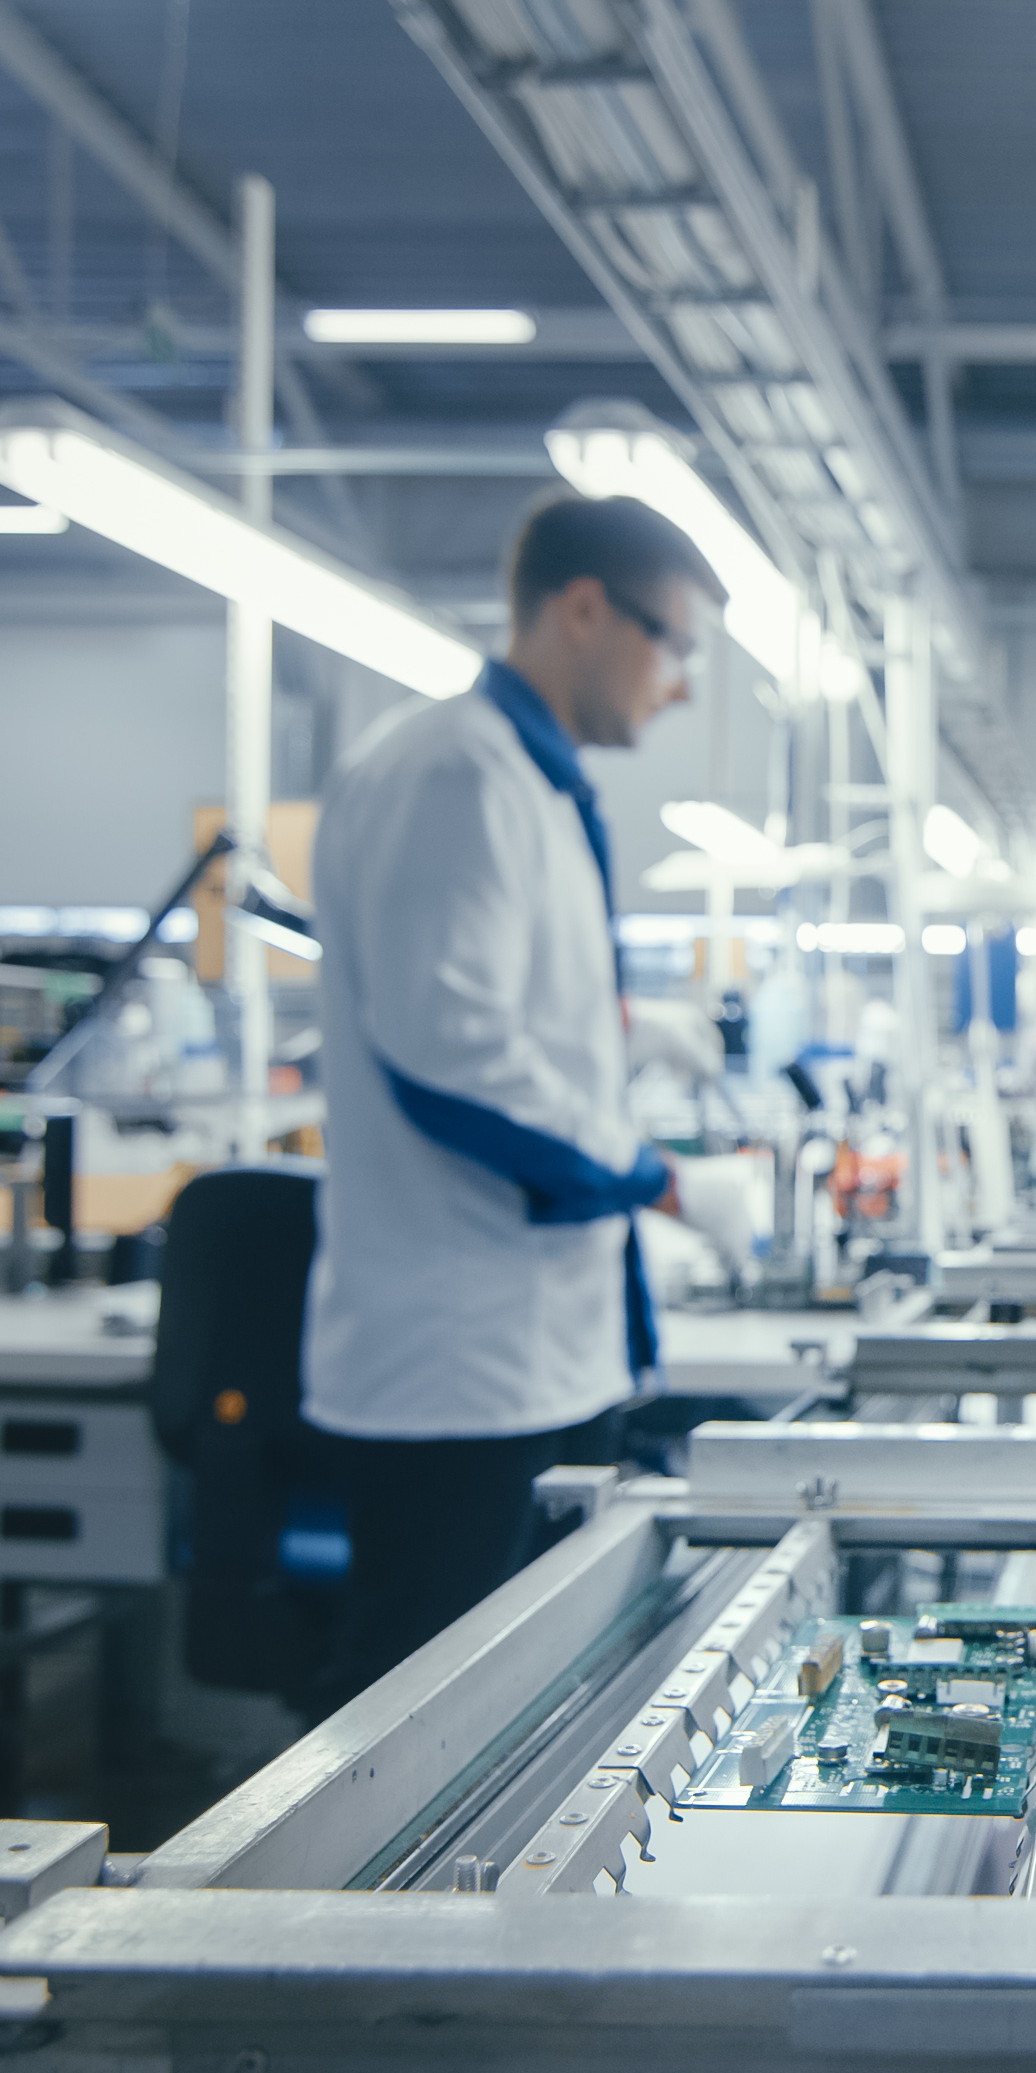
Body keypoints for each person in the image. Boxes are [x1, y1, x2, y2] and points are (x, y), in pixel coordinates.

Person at [299, 494, 758, 1718]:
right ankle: (351, 1923)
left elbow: (499, 1011)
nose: (684, 687)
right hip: (460, 1361)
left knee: (527, 1715)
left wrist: (622, 1026)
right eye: (676, 645)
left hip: (541, 1352)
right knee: (420, 1724)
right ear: (584, 610)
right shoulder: (455, 774)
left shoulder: (536, 787)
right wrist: (663, 1178)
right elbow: (454, 1060)